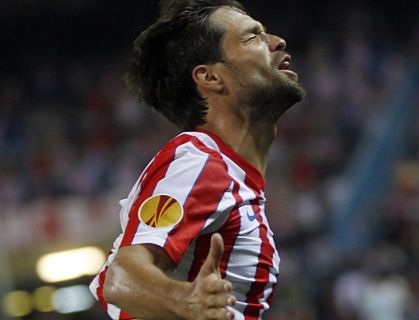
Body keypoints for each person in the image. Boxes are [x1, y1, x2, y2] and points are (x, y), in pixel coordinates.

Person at [89, 0, 305, 319]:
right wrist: (185, 300)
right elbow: (121, 278)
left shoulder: (232, 177)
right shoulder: (201, 161)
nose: (277, 41)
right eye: (252, 37)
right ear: (210, 77)